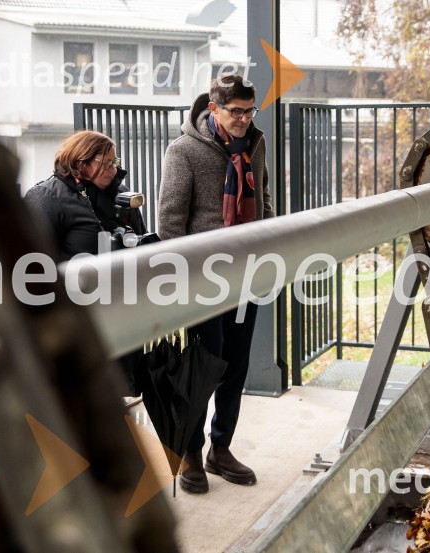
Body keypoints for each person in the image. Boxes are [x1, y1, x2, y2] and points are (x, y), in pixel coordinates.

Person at [157, 74, 275, 493]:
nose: (243, 119)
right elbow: (170, 223)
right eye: (235, 111)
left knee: (235, 365)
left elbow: (262, 199)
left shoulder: (256, 144)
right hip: (204, 281)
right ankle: (190, 451)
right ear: (214, 109)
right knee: (203, 367)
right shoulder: (184, 150)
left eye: (249, 110)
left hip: (246, 275)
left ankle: (220, 448)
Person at [24, 130, 146, 260]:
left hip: (129, 276)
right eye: (107, 163)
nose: (114, 170)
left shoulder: (121, 193)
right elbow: (32, 259)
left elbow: (143, 240)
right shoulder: (47, 196)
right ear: (80, 163)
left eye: (115, 163)